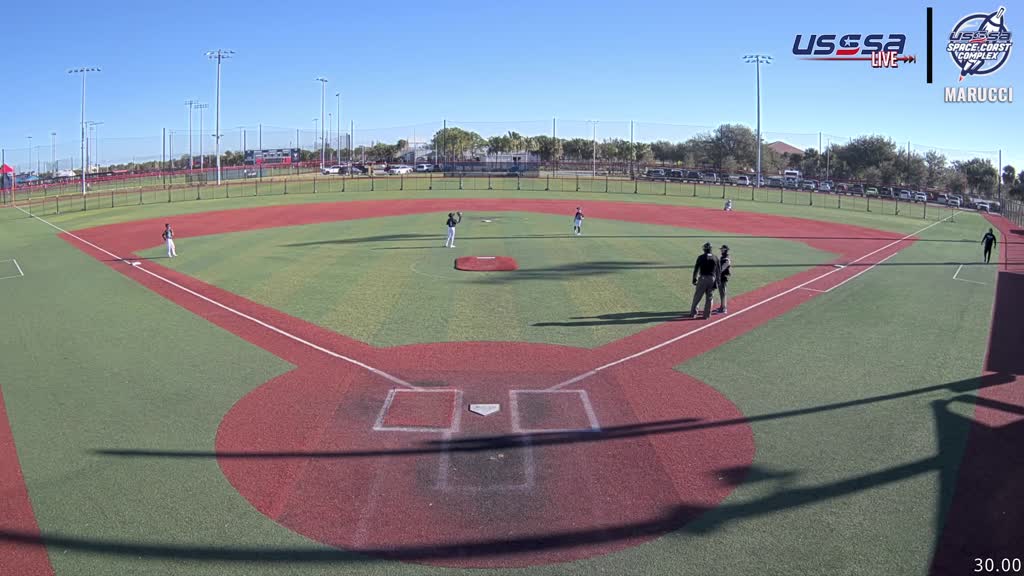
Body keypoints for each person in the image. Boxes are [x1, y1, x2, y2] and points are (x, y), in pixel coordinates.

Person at [689, 242, 721, 319]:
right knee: (709, 298)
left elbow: (696, 269)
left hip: (702, 279)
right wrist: (718, 281)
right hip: (712, 279)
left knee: (697, 296)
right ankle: (706, 315)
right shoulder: (715, 257)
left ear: (704, 249)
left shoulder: (701, 257)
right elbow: (718, 271)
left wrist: (694, 278)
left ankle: (693, 313)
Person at [716, 245, 731, 314]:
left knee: (723, 293)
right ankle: (722, 306)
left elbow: (722, 269)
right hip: (721, 277)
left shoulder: (726, 259)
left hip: (723, 277)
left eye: (722, 249)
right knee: (721, 292)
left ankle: (724, 308)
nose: (721, 250)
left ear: (725, 250)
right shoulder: (723, 257)